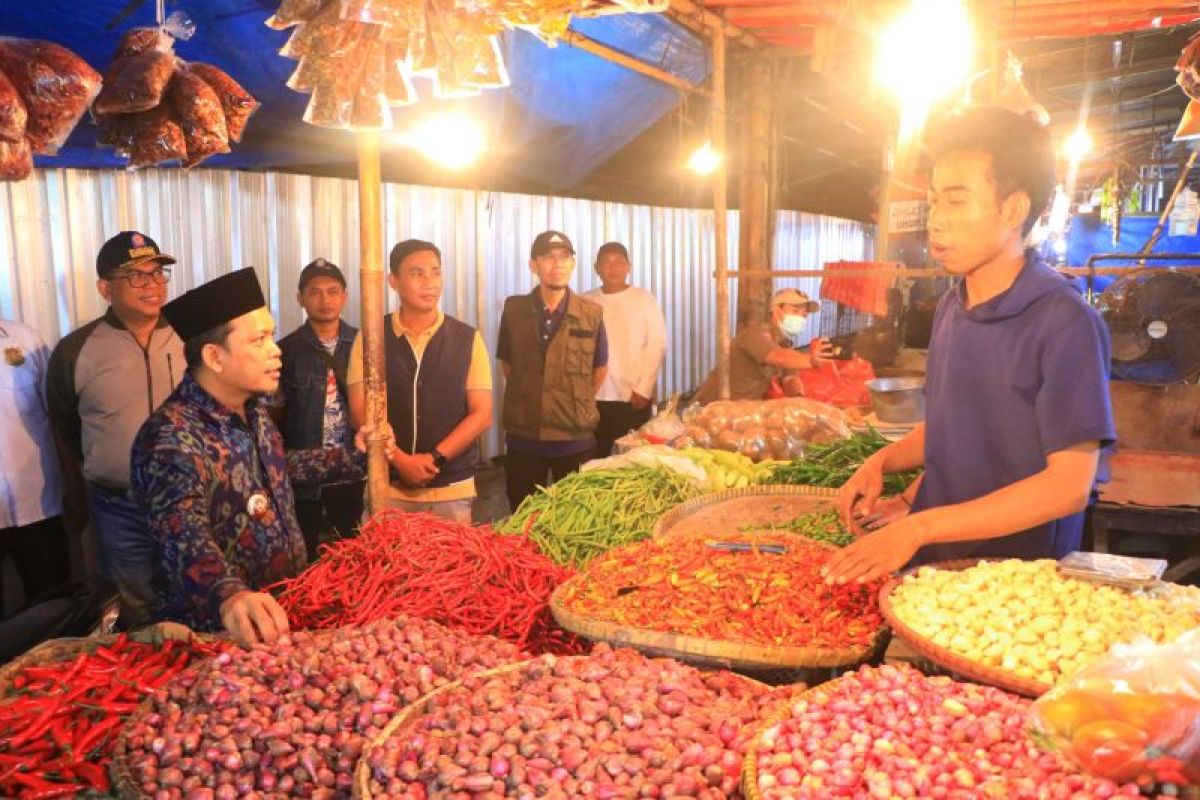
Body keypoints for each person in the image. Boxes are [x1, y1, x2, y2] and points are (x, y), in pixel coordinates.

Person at [827, 106, 1115, 585]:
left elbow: (1068, 486)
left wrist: (920, 525)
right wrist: (882, 464)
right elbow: (951, 428)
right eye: (934, 201)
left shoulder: (1065, 323)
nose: (935, 221)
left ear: (1013, 209)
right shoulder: (951, 306)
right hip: (935, 571)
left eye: (957, 202)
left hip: (1014, 589)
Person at [130, 268, 379, 645]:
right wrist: (229, 595)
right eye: (259, 339)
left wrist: (355, 456)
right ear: (214, 357)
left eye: (272, 335)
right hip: (217, 636)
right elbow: (183, 537)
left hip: (279, 616)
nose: (275, 350)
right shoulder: (170, 439)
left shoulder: (253, 410)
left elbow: (281, 467)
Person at [46, 231, 185, 627]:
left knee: (192, 593)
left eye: (158, 274)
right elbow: (65, 428)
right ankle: (147, 684)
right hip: (118, 506)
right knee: (134, 604)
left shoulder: (190, 336)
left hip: (187, 500)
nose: (152, 286)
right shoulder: (76, 350)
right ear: (105, 288)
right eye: (137, 277)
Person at [347, 240, 493, 523]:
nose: (429, 282)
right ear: (393, 281)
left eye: (435, 272)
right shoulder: (371, 337)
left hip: (451, 488)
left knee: (453, 566)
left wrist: (434, 459)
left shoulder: (467, 338)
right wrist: (400, 460)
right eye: (417, 273)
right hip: (387, 487)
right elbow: (359, 410)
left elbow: (482, 413)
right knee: (385, 565)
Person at [497, 230, 608, 510]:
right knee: (523, 518)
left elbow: (600, 369)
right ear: (534, 265)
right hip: (525, 440)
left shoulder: (591, 313)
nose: (557, 264)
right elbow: (507, 364)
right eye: (548, 257)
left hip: (574, 441)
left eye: (564, 257)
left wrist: (571, 399)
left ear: (573, 264)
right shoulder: (514, 310)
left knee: (576, 523)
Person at [274, 259, 363, 554]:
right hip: (303, 478)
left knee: (355, 555)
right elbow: (273, 420)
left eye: (333, 291)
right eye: (315, 292)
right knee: (304, 556)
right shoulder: (284, 351)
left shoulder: (365, 344)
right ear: (300, 298)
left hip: (353, 471)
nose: (325, 300)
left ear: (344, 297)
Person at [0, 319, 69, 607]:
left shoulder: (26, 339)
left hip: (38, 507)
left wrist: (74, 488)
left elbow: (57, 416)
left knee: (53, 609)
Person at [583, 242, 667, 457]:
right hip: (594, 396)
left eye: (619, 262)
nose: (613, 268)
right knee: (594, 459)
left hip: (632, 397)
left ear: (628, 267)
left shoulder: (644, 299)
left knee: (632, 458)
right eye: (606, 262)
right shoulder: (585, 301)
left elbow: (656, 344)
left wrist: (644, 388)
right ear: (596, 268)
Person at [692, 287, 834, 403]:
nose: (801, 318)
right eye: (795, 311)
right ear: (777, 311)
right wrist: (811, 360)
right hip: (711, 407)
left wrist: (799, 399)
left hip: (743, 409)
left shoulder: (783, 343)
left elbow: (790, 377)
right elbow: (776, 357)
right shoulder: (756, 334)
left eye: (804, 315)